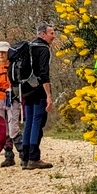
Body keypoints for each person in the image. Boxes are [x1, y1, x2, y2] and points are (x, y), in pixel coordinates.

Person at [19, 24, 56, 169]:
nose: (54, 36)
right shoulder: (43, 49)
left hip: (26, 89)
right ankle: (34, 158)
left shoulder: (29, 47)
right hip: (39, 89)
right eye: (51, 33)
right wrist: (49, 95)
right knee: (37, 121)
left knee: (29, 122)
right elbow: (44, 73)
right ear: (42, 34)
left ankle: (25, 157)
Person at [0, 41, 23, 167]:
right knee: (3, 128)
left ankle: (23, 154)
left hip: (12, 97)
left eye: (4, 52)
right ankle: (9, 156)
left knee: (13, 126)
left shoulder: (14, 66)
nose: (1, 54)